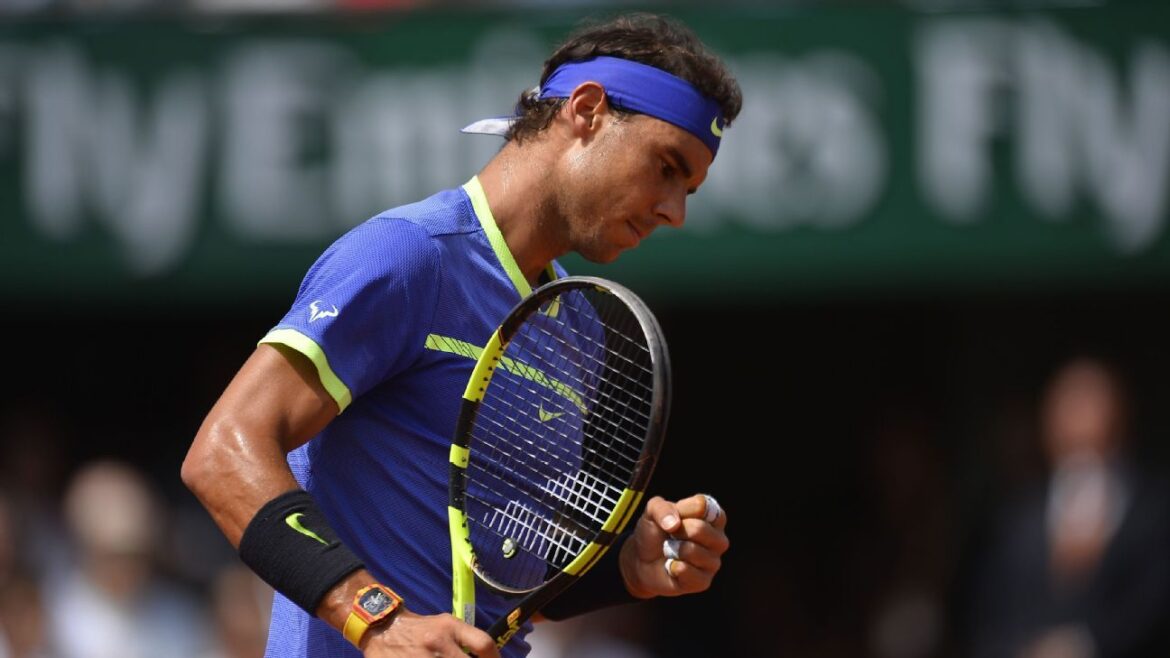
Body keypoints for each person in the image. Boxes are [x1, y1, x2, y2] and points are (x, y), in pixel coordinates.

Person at [182, 13, 741, 658]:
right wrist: (376, 619)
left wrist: (625, 568)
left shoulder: (578, 327)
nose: (675, 211)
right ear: (586, 111)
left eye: (689, 188)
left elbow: (507, 568)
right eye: (666, 167)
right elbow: (222, 455)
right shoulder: (410, 255)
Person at [966, 357, 1170, 658]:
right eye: (1068, 404)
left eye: (1090, 402)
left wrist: (1083, 645)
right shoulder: (1018, 516)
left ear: (1121, 413)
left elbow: (1153, 601)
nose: (1078, 418)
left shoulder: (1154, 508)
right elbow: (991, 612)